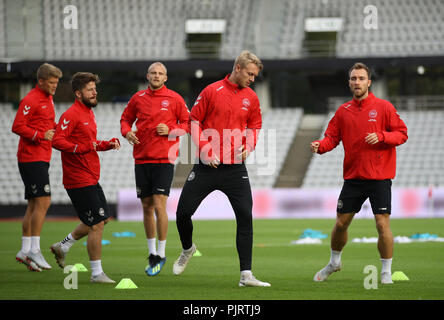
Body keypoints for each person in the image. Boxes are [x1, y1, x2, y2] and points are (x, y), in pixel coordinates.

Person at [173, 50, 270, 287]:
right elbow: (193, 121)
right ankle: (188, 249)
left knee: (245, 217)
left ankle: (246, 275)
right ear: (237, 68)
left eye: (255, 75)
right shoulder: (211, 91)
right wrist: (205, 149)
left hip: (235, 169)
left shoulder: (252, 97)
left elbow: (255, 125)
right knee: (182, 213)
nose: (252, 79)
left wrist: (249, 144)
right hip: (206, 167)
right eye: (250, 74)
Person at [311, 62, 408, 284]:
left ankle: (385, 273)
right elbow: (331, 138)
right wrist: (320, 145)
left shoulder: (384, 107)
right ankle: (334, 262)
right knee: (340, 224)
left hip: (380, 177)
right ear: (349, 82)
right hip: (353, 178)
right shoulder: (343, 111)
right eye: (353, 78)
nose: (357, 82)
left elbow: (402, 134)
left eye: (361, 78)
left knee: (382, 224)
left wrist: (382, 136)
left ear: (369, 82)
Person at [50, 72, 120, 283]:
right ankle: (96, 274)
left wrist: (107, 144)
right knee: (97, 224)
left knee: (102, 219)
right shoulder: (71, 114)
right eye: (90, 90)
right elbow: (57, 141)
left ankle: (63, 245)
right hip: (78, 179)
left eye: (95, 89)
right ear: (78, 93)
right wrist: (80, 147)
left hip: (90, 176)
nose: (94, 92)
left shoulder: (88, 114)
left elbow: (90, 143)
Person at [120, 62, 190, 276]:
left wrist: (171, 129)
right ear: (148, 76)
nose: (157, 76)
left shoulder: (175, 98)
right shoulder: (138, 98)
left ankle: (161, 252)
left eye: (160, 73)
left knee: (159, 205)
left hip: (164, 159)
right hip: (141, 159)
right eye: (153, 73)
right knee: (146, 206)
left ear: (165, 78)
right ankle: (152, 253)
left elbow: (187, 124)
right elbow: (125, 119)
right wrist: (127, 132)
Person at [12, 63, 63, 272]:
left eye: (56, 83)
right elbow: (17, 126)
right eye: (51, 83)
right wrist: (40, 135)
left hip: (41, 156)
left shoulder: (47, 99)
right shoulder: (31, 99)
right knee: (44, 200)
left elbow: (46, 125)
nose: (54, 86)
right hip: (31, 157)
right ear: (40, 81)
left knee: (34, 204)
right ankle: (34, 249)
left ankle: (25, 250)